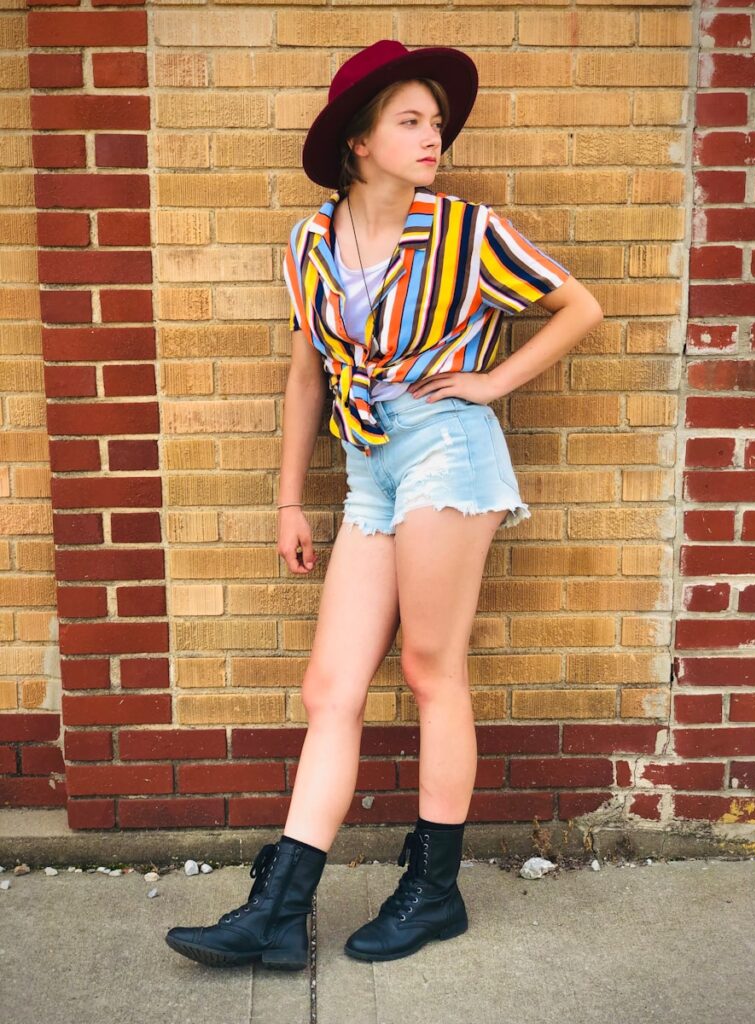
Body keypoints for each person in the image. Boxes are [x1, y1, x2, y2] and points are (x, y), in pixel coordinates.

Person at [166, 38, 603, 970]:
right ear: (358, 141)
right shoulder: (307, 242)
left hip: (446, 448)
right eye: (410, 120)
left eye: (435, 123)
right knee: (330, 687)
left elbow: (580, 308)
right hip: (368, 468)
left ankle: (434, 892)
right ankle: (280, 911)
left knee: (430, 668)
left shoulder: (467, 232)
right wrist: (291, 501)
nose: (431, 136)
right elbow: (305, 378)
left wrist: (492, 382)